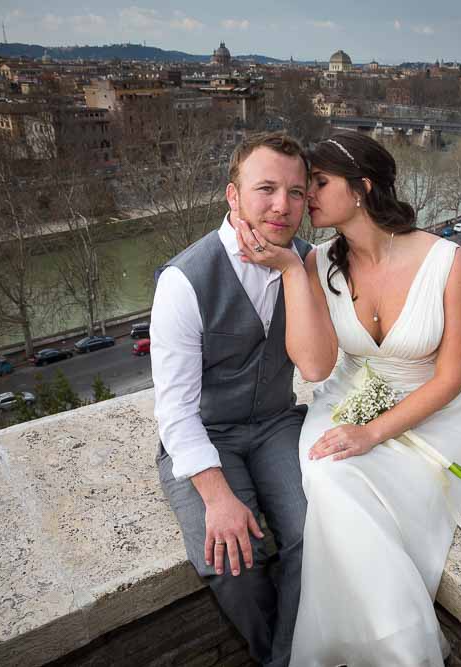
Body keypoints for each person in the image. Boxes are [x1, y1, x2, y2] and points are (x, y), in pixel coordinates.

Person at [236, 132, 461, 665]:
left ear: (363, 188)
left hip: (431, 415)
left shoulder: (447, 262)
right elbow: (316, 366)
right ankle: (394, 649)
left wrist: (373, 432)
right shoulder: (316, 263)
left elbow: (451, 378)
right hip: (343, 399)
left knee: (341, 489)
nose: (305, 197)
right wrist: (289, 273)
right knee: (327, 476)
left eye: (318, 184)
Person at [151, 132, 334, 667]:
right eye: (266, 189)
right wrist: (217, 497)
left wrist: (293, 272)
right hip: (208, 437)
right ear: (232, 196)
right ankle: (279, 653)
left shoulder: (309, 262)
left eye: (297, 192)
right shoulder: (184, 281)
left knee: (318, 532)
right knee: (232, 558)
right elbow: (176, 414)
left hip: (278, 423)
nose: (283, 206)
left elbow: (318, 367)